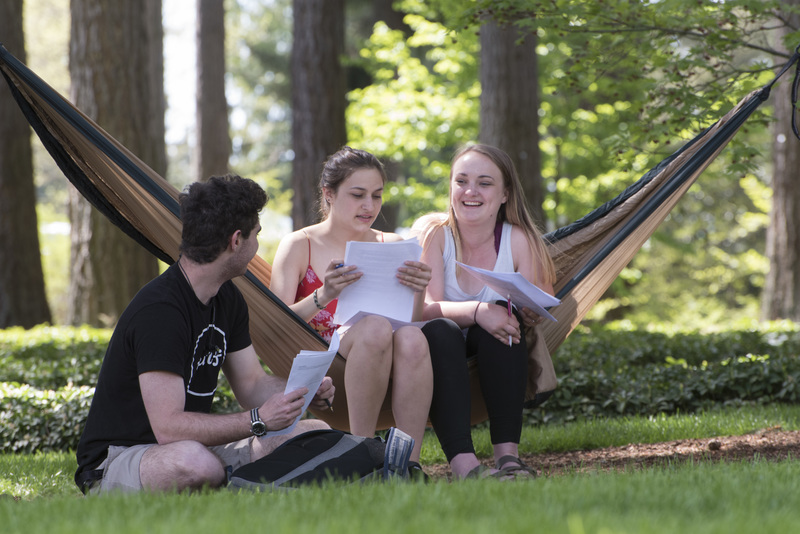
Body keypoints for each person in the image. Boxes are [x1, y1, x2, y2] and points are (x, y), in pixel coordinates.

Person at [74, 174, 334, 494]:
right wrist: (258, 420)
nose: (257, 246)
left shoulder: (228, 298)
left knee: (314, 431)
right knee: (195, 463)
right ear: (236, 240)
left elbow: (252, 385)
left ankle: (234, 480)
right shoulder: (160, 311)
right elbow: (168, 427)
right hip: (121, 459)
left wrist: (302, 390)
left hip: (192, 446)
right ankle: (236, 478)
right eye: (256, 236)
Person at [270, 146, 433, 475]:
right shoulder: (300, 244)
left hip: (382, 366)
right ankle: (361, 456)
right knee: (373, 327)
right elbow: (275, 324)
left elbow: (410, 322)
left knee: (414, 338)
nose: (369, 206)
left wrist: (419, 288)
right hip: (325, 369)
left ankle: (406, 466)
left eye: (377, 195)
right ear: (329, 194)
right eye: (358, 195)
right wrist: (324, 293)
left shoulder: (392, 243)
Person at [413, 144, 556, 480]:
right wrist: (478, 311)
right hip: (436, 354)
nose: (471, 191)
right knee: (441, 330)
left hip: (494, 352)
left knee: (504, 320)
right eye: (461, 181)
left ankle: (508, 458)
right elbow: (423, 309)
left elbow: (544, 297)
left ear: (505, 193)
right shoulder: (436, 236)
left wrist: (530, 312)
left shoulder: (517, 240)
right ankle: (465, 466)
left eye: (485, 183)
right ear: (450, 188)